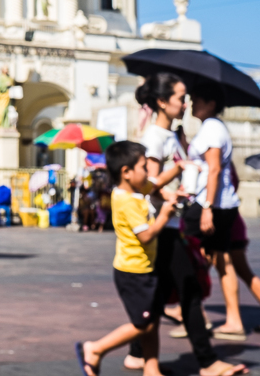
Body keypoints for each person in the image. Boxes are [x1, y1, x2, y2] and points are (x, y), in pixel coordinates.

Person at [124, 73, 246, 376]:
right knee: (189, 290)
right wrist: (171, 187)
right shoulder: (154, 137)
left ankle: (135, 353)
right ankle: (207, 362)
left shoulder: (171, 135)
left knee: (161, 294)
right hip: (162, 224)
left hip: (172, 222)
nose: (185, 102)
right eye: (180, 97)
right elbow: (148, 184)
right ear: (163, 103)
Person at [78, 141, 176, 376]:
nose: (148, 172)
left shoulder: (129, 190)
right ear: (126, 172)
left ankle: (151, 369)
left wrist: (179, 168)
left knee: (151, 321)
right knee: (143, 325)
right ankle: (95, 349)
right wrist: (164, 215)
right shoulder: (128, 201)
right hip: (134, 272)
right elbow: (146, 236)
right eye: (144, 167)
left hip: (142, 268)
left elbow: (156, 183)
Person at [183, 82, 251, 342]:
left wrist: (207, 208)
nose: (191, 104)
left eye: (196, 98)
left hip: (210, 203)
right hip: (223, 203)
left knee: (188, 257)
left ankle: (193, 317)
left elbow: (214, 169)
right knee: (223, 261)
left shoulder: (211, 128)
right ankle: (233, 320)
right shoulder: (212, 128)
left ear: (211, 103)